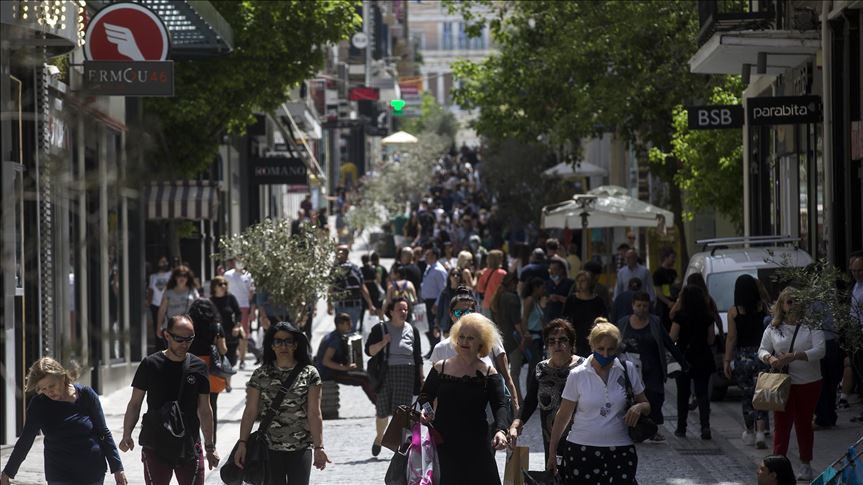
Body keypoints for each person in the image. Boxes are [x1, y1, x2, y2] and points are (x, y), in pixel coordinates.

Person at [547, 320, 650, 483]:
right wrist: (552, 453)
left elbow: (646, 404)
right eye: (600, 349)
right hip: (581, 450)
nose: (605, 355)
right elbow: (563, 416)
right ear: (592, 346)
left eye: (610, 350)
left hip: (620, 450)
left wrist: (639, 407)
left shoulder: (627, 369)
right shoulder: (578, 375)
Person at [119, 315, 219, 485]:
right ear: (167, 335)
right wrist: (126, 434)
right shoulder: (150, 364)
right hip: (155, 445)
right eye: (179, 339)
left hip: (189, 444)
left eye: (189, 339)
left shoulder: (199, 367)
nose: (184, 344)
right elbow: (135, 403)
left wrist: (210, 447)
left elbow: (205, 409)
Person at [1, 358, 126, 485]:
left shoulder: (86, 395)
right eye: (43, 389)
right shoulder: (39, 404)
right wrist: (8, 472)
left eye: (52, 386)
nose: (49, 391)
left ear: (62, 377)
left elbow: (103, 432)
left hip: (92, 470)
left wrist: (117, 468)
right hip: (59, 473)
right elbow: (25, 440)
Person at [418, 313, 510, 484]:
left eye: (470, 338)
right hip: (444, 440)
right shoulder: (441, 367)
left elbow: (500, 405)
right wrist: (426, 409)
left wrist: (500, 430)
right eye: (461, 337)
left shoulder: (489, 373)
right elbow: (425, 395)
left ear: (481, 343)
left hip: (478, 441)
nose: (464, 342)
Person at [235, 322, 329, 485]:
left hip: (301, 448)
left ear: (295, 344)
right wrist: (242, 444)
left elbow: (315, 412)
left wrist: (319, 447)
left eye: (288, 341)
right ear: (271, 345)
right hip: (269, 449)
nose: (283, 345)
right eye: (278, 341)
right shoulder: (260, 375)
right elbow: (250, 411)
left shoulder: (309, 373)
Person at [758, 287, 826, 482]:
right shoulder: (773, 326)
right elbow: (762, 349)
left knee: (804, 423)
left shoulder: (812, 324)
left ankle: (805, 463)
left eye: (797, 300)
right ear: (781, 305)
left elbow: (820, 350)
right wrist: (770, 359)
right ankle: (776, 466)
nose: (793, 304)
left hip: (808, 382)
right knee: (781, 425)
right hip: (781, 383)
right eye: (789, 301)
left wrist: (795, 356)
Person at [429, 287, 520, 418]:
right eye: (460, 312)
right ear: (451, 314)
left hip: (489, 412)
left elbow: (507, 377)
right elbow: (434, 389)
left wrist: (515, 408)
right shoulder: (441, 348)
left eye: (469, 311)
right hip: (452, 415)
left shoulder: (492, 339)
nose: (465, 316)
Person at [508, 318, 583, 462]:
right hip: (550, 438)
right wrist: (517, 422)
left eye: (562, 340)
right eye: (551, 341)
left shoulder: (583, 367)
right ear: (546, 346)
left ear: (571, 343)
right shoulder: (541, 369)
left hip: (580, 437)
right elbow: (530, 401)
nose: (557, 344)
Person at [617, 291, 686, 442]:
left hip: (653, 368)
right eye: (638, 305)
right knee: (632, 398)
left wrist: (682, 362)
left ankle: (652, 428)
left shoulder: (655, 322)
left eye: (645, 306)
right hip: (631, 368)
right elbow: (616, 344)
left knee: (654, 397)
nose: (641, 309)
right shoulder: (623, 322)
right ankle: (633, 428)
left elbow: (667, 342)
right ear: (633, 306)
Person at [365, 297, 424, 457]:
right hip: (386, 372)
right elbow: (369, 351)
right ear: (391, 312)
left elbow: (417, 356)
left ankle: (399, 448)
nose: (404, 312)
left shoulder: (413, 330)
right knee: (382, 409)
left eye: (405, 309)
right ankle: (379, 438)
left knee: (402, 412)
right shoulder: (381, 329)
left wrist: (421, 376)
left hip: (407, 373)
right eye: (400, 309)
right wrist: (383, 342)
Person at [724, 274, 771, 448]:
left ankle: (749, 431)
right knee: (761, 395)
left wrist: (727, 361)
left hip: (742, 358)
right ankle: (761, 431)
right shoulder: (762, 307)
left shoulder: (733, 311)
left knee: (747, 395)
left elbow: (731, 338)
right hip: (761, 355)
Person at [670, 285, 716, 439]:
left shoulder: (680, 316)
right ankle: (705, 427)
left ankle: (681, 428)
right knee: (702, 394)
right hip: (703, 357)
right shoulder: (707, 317)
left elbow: (672, 338)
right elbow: (711, 340)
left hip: (684, 359)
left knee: (682, 394)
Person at [186, 299, 227, 445]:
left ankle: (193, 442)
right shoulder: (216, 327)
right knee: (211, 407)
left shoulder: (189, 327)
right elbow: (223, 349)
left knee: (192, 407)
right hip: (211, 369)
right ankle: (211, 442)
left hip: (191, 366)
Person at [315, 313, 376, 404]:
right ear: (340, 325)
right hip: (328, 373)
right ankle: (379, 406)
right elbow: (326, 361)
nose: (351, 325)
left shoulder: (337, 336)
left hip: (333, 370)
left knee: (365, 373)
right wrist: (345, 368)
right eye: (347, 323)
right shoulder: (334, 339)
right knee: (364, 379)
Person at [490, 272, 525, 401]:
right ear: (512, 283)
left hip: (499, 338)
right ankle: (518, 400)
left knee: (501, 373)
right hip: (513, 340)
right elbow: (517, 322)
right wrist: (523, 337)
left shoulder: (497, 297)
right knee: (514, 373)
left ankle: (502, 398)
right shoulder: (512, 298)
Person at [328, 245, 376, 333]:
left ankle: (346, 347)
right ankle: (350, 347)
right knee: (351, 331)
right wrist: (370, 304)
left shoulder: (335, 269)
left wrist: (329, 304)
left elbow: (331, 288)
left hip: (343, 305)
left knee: (342, 332)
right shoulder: (355, 268)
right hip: (354, 305)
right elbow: (362, 287)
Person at [562, 270, 608, 357]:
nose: (580, 283)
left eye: (583, 281)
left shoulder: (598, 301)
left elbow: (604, 320)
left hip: (593, 337)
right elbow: (565, 318)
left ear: (590, 283)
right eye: (578, 281)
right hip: (576, 338)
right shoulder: (571, 300)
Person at [210, 276, 242, 391]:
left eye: (225, 284)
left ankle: (226, 380)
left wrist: (237, 326)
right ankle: (226, 383)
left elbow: (238, 313)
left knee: (231, 359)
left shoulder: (230, 298)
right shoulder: (210, 301)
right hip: (217, 334)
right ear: (214, 287)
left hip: (230, 333)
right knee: (219, 358)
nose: (223, 286)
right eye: (220, 284)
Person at [155, 265, 199, 346]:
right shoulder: (168, 292)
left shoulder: (193, 291)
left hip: (187, 328)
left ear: (188, 277)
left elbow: (198, 308)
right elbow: (162, 310)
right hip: (171, 328)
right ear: (175, 277)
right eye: (179, 275)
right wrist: (158, 327)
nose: (182, 278)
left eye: (185, 275)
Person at [223, 258, 254, 369]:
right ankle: (231, 355)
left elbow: (251, 292)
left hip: (244, 306)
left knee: (243, 334)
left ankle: (242, 359)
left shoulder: (248, 276)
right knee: (229, 332)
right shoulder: (227, 275)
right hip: (230, 306)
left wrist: (251, 309)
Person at [520, 277, 546, 395]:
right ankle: (531, 393)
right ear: (536, 288)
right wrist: (526, 334)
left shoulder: (536, 301)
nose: (544, 290)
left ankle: (533, 393)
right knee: (534, 366)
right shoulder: (530, 300)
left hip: (539, 337)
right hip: (532, 337)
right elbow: (524, 318)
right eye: (542, 288)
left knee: (535, 366)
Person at [421, 246, 448, 353]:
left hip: (434, 302)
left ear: (434, 256)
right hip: (427, 301)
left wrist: (437, 304)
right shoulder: (429, 268)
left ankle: (436, 350)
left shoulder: (439, 270)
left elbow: (443, 289)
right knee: (427, 326)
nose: (425, 257)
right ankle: (433, 348)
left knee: (434, 326)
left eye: (428, 255)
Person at [148, 256, 172, 346]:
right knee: (157, 327)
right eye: (162, 261)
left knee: (168, 326)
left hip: (167, 304)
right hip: (155, 304)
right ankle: (159, 346)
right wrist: (148, 302)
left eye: (165, 261)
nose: (164, 263)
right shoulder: (153, 276)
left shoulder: (171, 274)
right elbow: (151, 290)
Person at [653, 248, 678, 331]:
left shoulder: (673, 272)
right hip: (663, 305)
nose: (674, 260)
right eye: (672, 257)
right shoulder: (658, 273)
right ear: (666, 258)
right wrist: (668, 302)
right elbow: (658, 292)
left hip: (674, 302)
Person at [476, 249, 507, 316]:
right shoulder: (503, 273)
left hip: (486, 304)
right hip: (498, 304)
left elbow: (479, 288)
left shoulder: (484, 272)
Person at [435, 268, 463, 337]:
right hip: (447, 327)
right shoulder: (444, 292)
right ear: (449, 277)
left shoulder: (466, 292)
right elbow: (440, 310)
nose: (455, 276)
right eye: (453, 274)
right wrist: (436, 326)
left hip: (462, 326)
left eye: (458, 275)